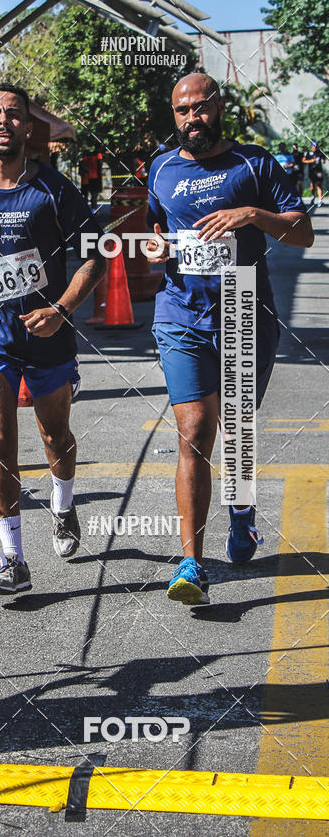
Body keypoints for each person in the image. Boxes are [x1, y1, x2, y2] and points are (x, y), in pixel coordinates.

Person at [146, 72, 313, 606]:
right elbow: (158, 229)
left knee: (237, 428)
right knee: (194, 427)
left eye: (199, 108)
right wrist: (157, 250)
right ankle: (191, 562)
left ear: (219, 108)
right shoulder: (162, 167)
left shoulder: (255, 163)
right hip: (180, 312)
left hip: (244, 308)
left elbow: (302, 232)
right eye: (181, 111)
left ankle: (241, 515)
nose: (191, 119)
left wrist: (253, 215)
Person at [0, 83, 106, 595]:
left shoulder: (55, 190)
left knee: (55, 435)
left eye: (14, 114)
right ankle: (12, 558)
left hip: (48, 333)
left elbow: (95, 256)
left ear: (29, 129)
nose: (4, 121)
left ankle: (63, 503)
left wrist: (60, 309)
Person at [303, 141, 325, 206]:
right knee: (312, 186)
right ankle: (313, 196)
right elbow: (303, 160)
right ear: (311, 146)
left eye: (316, 146)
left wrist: (323, 160)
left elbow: (323, 160)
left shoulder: (319, 153)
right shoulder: (309, 153)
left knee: (319, 185)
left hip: (319, 171)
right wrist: (311, 161)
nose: (314, 147)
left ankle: (320, 200)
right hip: (312, 171)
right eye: (313, 146)